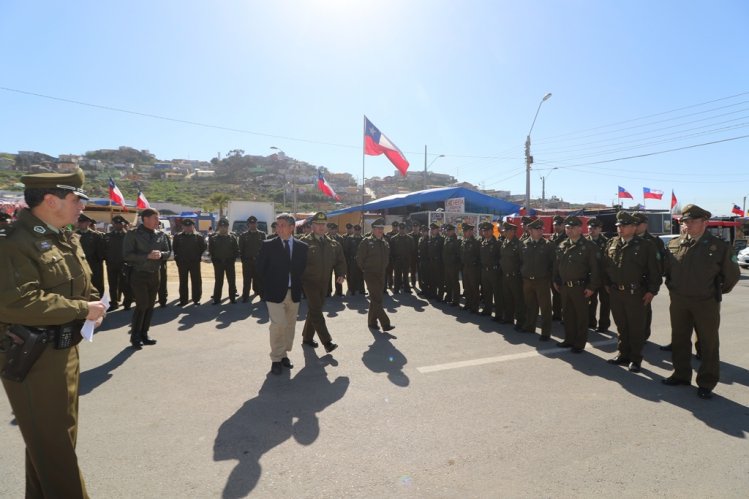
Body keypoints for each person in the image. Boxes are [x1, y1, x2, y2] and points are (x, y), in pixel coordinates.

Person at [0, 168, 106, 498]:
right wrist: (80, 310)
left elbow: (77, 286)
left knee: (49, 445)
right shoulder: (16, 244)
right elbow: (16, 302)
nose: (81, 208)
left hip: (64, 350)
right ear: (50, 200)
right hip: (34, 360)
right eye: (76, 200)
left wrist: (89, 304)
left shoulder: (62, 236)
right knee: (55, 450)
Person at [661, 204, 740, 399]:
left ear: (704, 222)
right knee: (679, 339)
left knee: (708, 343)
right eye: (685, 221)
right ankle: (681, 374)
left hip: (705, 302)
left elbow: (732, 275)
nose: (687, 225)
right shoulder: (674, 244)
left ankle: (706, 382)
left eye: (691, 221)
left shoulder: (718, 246)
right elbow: (667, 270)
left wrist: (715, 292)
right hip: (679, 301)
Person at [602, 212, 661, 372]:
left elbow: (654, 271)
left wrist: (652, 291)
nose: (620, 228)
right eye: (618, 226)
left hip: (636, 293)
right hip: (615, 292)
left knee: (636, 327)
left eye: (624, 226)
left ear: (634, 227)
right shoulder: (612, 243)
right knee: (621, 326)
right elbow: (606, 266)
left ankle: (635, 359)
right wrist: (607, 284)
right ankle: (623, 354)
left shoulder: (645, 246)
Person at [256, 213, 309, 375]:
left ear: (292, 228)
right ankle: (276, 359)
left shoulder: (302, 247)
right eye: (277, 225)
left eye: (282, 225)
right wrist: (264, 290)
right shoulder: (268, 245)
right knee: (278, 325)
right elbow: (260, 269)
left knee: (289, 326)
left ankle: (284, 353)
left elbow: (303, 271)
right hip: (274, 293)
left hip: (294, 293)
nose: (278, 228)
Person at [123, 208, 171, 349]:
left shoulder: (161, 235)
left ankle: (144, 333)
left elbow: (168, 252)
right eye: (155, 218)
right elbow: (127, 255)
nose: (158, 221)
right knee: (142, 304)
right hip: (139, 274)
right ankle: (135, 336)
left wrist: (161, 254)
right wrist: (146, 256)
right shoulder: (133, 234)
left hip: (155, 274)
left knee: (150, 305)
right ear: (146, 219)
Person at [300, 212, 346, 353]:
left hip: (324, 282)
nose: (321, 227)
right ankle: (327, 342)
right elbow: (296, 263)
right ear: (312, 226)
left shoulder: (333, 243)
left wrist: (341, 274)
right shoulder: (304, 242)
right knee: (316, 310)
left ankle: (307, 338)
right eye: (318, 224)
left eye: (323, 224)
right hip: (309, 282)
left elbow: (340, 260)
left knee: (315, 310)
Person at [553, 216, 600, 353]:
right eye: (567, 227)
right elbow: (557, 266)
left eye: (573, 227)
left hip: (580, 287)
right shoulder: (562, 245)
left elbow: (595, 269)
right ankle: (569, 339)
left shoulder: (589, 246)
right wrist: (556, 280)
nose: (569, 230)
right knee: (567, 315)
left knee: (581, 316)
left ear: (580, 229)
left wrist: (592, 287)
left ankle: (579, 343)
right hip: (565, 286)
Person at [633, 212, 667, 339]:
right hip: (630, 282)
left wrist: (653, 288)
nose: (634, 227)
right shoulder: (628, 239)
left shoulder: (654, 241)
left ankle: (643, 335)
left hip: (645, 283)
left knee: (644, 311)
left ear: (645, 225)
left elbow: (659, 266)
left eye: (637, 224)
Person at [356, 218, 395, 332]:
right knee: (376, 299)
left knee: (377, 299)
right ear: (373, 229)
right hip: (370, 274)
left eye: (382, 228)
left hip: (381, 273)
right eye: (378, 228)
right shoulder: (366, 241)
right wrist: (365, 270)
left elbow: (387, 257)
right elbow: (359, 258)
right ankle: (385, 323)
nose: (380, 230)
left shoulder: (385, 242)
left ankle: (372, 322)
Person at [520, 218, 555, 340]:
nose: (540, 231)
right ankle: (530, 326)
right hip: (527, 280)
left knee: (545, 307)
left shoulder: (548, 245)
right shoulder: (524, 244)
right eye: (537, 229)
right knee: (530, 305)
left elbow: (553, 264)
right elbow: (520, 262)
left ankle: (546, 332)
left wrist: (550, 279)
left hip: (542, 281)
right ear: (530, 230)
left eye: (541, 229)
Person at [173, 218, 207, 306]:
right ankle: (183, 300)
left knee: (196, 281)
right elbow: (175, 249)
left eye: (190, 226)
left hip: (194, 262)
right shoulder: (178, 236)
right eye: (186, 226)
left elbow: (203, 248)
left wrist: (198, 257)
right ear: (183, 226)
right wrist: (178, 259)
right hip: (182, 262)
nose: (188, 228)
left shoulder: (198, 236)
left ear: (193, 226)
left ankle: (196, 299)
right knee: (183, 281)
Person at [586, 217, 611, 332]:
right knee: (591, 302)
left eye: (595, 228)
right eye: (590, 228)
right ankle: (591, 322)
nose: (592, 230)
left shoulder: (607, 242)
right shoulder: (584, 242)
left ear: (600, 229)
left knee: (605, 302)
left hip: (603, 278)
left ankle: (603, 325)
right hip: (590, 278)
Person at [499, 222, 525, 330]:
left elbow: (522, 261)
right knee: (507, 298)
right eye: (504, 231)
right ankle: (508, 318)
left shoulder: (518, 244)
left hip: (515, 276)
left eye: (506, 231)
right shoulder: (504, 242)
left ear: (512, 232)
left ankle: (520, 321)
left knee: (518, 299)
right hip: (506, 275)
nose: (504, 232)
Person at [209, 218, 239, 304]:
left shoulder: (232, 238)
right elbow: (211, 251)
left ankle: (232, 299)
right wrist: (215, 261)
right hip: (218, 263)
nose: (223, 228)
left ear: (227, 227)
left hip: (229, 263)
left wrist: (232, 260)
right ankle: (217, 299)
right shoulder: (213, 238)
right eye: (221, 226)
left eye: (225, 226)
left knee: (232, 281)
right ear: (218, 227)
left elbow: (236, 251)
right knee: (218, 281)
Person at [104, 215, 131, 311]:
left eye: (120, 223)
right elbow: (104, 250)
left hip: (124, 264)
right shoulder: (108, 236)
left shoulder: (128, 236)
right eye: (116, 223)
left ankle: (127, 302)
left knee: (125, 285)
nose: (117, 225)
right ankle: (114, 303)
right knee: (113, 285)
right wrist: (107, 259)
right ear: (113, 224)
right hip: (111, 264)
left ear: (123, 224)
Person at [76, 213, 106, 297]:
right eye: (80, 222)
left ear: (88, 223)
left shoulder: (96, 235)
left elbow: (101, 251)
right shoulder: (75, 235)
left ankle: (99, 300)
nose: (81, 224)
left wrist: (97, 261)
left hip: (94, 265)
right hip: (80, 264)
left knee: (97, 284)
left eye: (83, 222)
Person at [239, 215, 266, 303]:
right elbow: (241, 249)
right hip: (247, 261)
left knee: (259, 279)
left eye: (254, 223)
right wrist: (244, 260)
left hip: (258, 261)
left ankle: (262, 295)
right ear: (248, 224)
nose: (252, 225)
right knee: (246, 280)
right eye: (251, 223)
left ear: (256, 224)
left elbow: (264, 248)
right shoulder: (243, 235)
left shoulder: (262, 234)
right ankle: (245, 296)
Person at [479, 222, 501, 320]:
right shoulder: (483, 243)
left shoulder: (497, 243)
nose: (486, 233)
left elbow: (500, 258)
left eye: (488, 231)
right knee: (487, 292)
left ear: (492, 231)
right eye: (484, 231)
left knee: (497, 293)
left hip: (494, 271)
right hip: (484, 271)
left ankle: (498, 314)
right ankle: (487, 310)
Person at [459, 223, 482, 313]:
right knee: (467, 287)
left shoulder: (476, 242)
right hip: (465, 267)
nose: (465, 233)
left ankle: (475, 306)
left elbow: (479, 256)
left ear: (471, 231)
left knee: (474, 288)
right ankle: (468, 304)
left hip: (473, 268)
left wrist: (475, 263)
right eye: (464, 231)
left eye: (467, 231)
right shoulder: (464, 241)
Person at [550, 215, 567, 320]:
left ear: (563, 225)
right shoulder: (552, 237)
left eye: (559, 225)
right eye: (555, 224)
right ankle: (556, 314)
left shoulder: (566, 238)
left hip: (563, 270)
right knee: (555, 293)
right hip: (553, 269)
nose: (556, 227)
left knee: (564, 295)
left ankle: (565, 315)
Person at [391, 222, 416, 294]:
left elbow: (412, 249)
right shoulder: (393, 238)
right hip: (397, 260)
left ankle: (407, 288)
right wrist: (393, 260)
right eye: (400, 228)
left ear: (405, 229)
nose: (402, 230)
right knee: (397, 275)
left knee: (405, 275)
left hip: (406, 259)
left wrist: (409, 258)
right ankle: (396, 289)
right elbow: (391, 250)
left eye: (403, 229)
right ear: (398, 228)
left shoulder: (410, 238)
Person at [441, 224, 461, 306]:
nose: (448, 232)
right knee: (448, 282)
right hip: (447, 265)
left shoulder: (456, 240)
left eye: (450, 231)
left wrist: (454, 262)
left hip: (453, 265)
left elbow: (458, 254)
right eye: (447, 231)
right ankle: (448, 297)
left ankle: (456, 300)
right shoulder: (447, 239)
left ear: (453, 231)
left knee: (454, 283)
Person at [427, 223, 445, 300]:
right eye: (431, 229)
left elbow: (443, 252)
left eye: (433, 229)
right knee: (432, 279)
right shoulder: (430, 239)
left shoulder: (441, 239)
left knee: (440, 280)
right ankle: (433, 293)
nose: (431, 231)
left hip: (438, 263)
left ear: (438, 230)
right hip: (431, 262)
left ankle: (440, 296)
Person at [157, 228, 172, 307]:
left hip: (161, 262)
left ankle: (162, 300)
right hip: (148, 263)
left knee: (162, 281)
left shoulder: (163, 236)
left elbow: (168, 250)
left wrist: (161, 255)